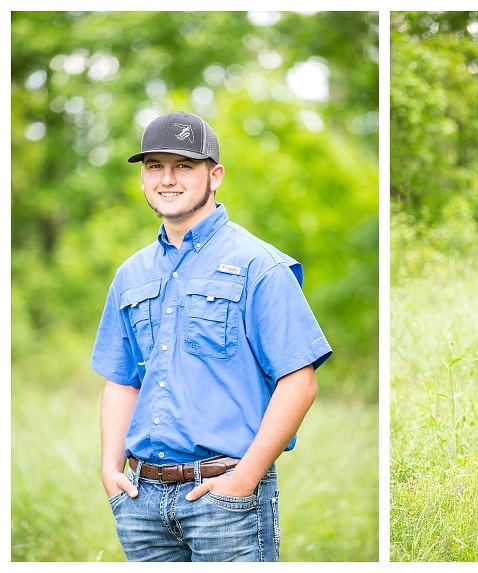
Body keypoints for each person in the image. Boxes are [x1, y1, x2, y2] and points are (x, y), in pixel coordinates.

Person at [90, 111, 332, 561]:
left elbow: (300, 381)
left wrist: (243, 481)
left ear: (214, 175)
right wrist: (109, 468)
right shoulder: (131, 275)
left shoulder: (259, 266)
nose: (167, 179)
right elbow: (122, 380)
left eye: (183, 165)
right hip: (141, 502)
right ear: (143, 178)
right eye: (154, 166)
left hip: (224, 498)